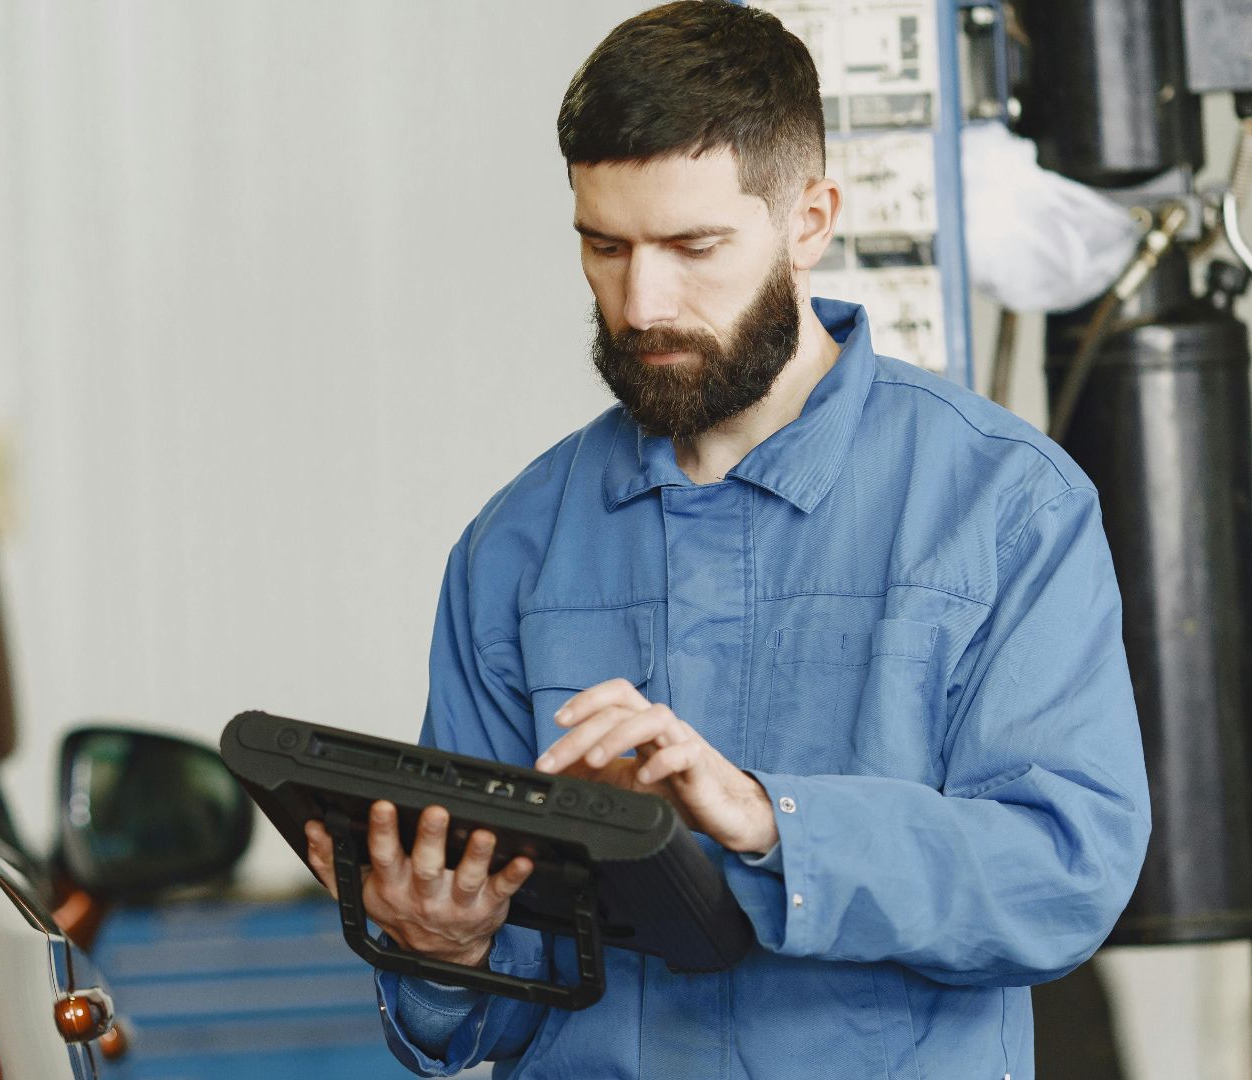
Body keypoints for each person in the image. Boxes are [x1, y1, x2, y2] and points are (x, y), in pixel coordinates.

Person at [301, 2, 1150, 1076]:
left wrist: (767, 820)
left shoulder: (1003, 507)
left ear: (810, 219)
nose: (641, 302)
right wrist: (440, 949)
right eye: (604, 247)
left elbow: (1062, 875)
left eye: (692, 246)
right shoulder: (513, 549)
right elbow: (494, 1002)